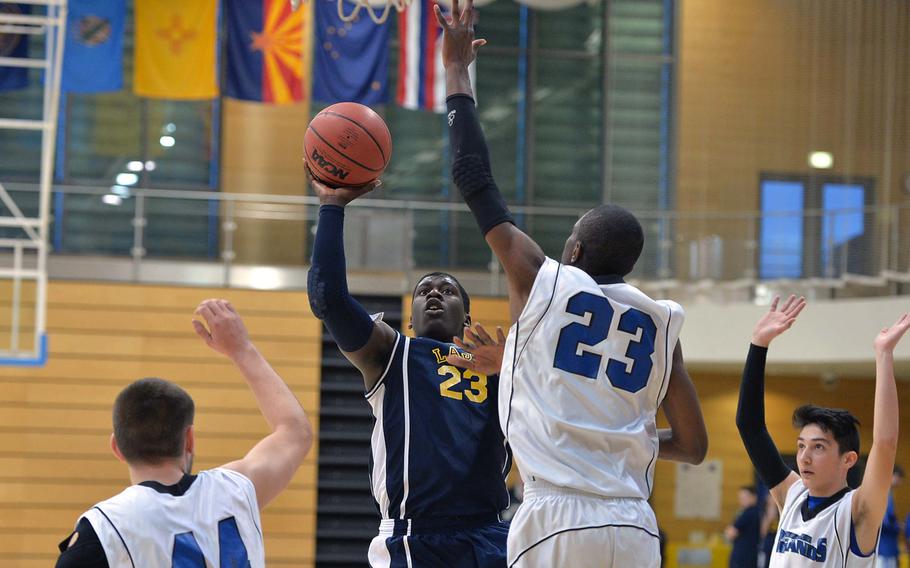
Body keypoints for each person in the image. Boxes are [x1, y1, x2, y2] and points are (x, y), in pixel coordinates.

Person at [435, 2, 708, 566]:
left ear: (576, 249)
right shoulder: (661, 323)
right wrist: (616, 442)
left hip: (555, 517)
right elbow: (696, 446)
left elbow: (472, 176)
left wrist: (456, 70)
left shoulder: (543, 279)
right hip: (634, 524)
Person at [306, 173, 512, 567]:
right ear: (412, 320)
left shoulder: (502, 367)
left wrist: (516, 368)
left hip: (490, 534)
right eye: (424, 290)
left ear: (467, 319)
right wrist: (332, 206)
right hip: (415, 535)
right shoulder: (392, 351)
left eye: (448, 290)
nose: (434, 292)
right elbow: (328, 297)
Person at [55, 299, 314, 567]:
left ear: (116, 447)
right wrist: (241, 349)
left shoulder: (103, 529)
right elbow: (295, 431)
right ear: (189, 439)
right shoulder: (235, 490)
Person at [736, 296, 909, 567]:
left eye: (818, 447)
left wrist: (884, 354)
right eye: (802, 445)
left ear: (848, 459)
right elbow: (750, 426)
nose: (804, 457)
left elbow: (885, 443)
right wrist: (758, 344)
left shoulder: (856, 511)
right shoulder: (791, 495)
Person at [725, 486, 761, 568]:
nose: (742, 500)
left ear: (754, 497)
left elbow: (730, 533)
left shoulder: (748, 513)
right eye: (741, 498)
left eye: (745, 497)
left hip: (743, 555)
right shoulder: (757, 512)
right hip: (751, 554)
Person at [877, 465, 904, 568]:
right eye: (899, 479)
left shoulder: (889, 494)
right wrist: (898, 526)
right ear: (894, 476)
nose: (900, 483)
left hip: (889, 547)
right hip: (883, 547)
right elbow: (883, 521)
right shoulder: (883, 493)